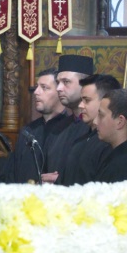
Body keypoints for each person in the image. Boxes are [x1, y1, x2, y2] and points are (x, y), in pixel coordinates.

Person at [0, 68, 73, 184]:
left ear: (60, 92)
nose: (36, 92)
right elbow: (13, 174)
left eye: (44, 88)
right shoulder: (28, 131)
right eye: (37, 87)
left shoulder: (71, 130)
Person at [42, 53, 95, 183]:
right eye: (58, 82)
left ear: (85, 84)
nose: (59, 88)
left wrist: (62, 180)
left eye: (66, 82)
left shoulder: (97, 129)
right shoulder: (57, 129)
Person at [59, 73, 120, 185]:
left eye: (87, 100)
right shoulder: (79, 141)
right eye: (81, 100)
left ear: (105, 102)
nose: (81, 105)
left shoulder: (110, 144)